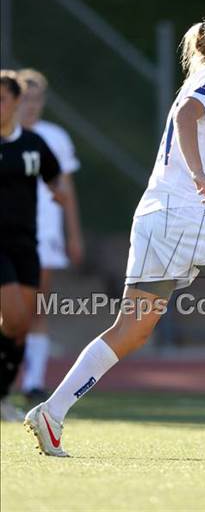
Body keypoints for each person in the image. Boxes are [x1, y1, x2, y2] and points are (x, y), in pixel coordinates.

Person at [25, 7, 205, 457]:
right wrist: (201, 173)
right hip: (187, 215)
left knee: (131, 329)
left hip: (156, 216)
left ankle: (52, 411)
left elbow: (188, 117)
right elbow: (187, 116)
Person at [0, 71, 66, 421]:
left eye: (2, 99)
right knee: (11, 314)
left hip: (26, 242)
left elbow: (55, 178)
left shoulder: (34, 144)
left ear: (15, 102)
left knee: (21, 324)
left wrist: (60, 196)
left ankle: (2, 393)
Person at [17, 69, 83, 403]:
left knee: (37, 307)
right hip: (8, 234)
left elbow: (65, 189)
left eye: (37, 98)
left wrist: (74, 235)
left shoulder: (54, 137)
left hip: (44, 234)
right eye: (25, 98)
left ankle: (34, 382)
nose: (31, 105)